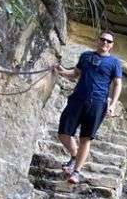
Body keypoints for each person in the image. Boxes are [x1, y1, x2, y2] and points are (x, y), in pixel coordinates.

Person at [53, 31, 123, 184]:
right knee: (63, 133)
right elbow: (75, 73)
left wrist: (113, 104)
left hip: (97, 104)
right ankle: (74, 154)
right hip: (77, 99)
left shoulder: (114, 63)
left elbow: (117, 84)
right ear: (97, 41)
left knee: (85, 139)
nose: (105, 43)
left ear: (112, 45)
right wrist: (62, 71)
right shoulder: (85, 56)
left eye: (109, 41)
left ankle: (76, 172)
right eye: (103, 39)